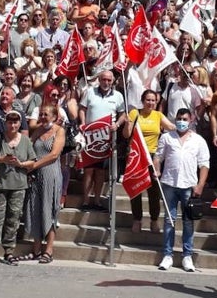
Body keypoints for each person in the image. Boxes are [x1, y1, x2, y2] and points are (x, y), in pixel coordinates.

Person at [154, 108, 209, 272]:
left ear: (191, 119)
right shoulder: (166, 137)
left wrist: (200, 185)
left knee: (188, 221)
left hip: (189, 185)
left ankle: (187, 255)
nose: (182, 121)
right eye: (179, 118)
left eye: (185, 118)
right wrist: (157, 168)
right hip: (169, 183)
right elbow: (158, 156)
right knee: (169, 221)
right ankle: (168, 255)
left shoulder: (198, 140)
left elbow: (204, 164)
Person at [0, 111, 36, 268]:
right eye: (10, 122)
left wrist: (20, 164)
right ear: (5, 123)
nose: (12, 125)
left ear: (19, 124)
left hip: (18, 185)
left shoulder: (25, 140)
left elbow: (32, 162)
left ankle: (9, 251)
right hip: (0, 184)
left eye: (15, 122)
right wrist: (2, 159)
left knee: (13, 218)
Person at [123, 89, 175, 233]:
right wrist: (127, 125)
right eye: (148, 100)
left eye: (153, 100)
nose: (151, 103)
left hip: (153, 157)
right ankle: (137, 219)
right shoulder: (135, 114)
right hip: (137, 156)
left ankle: (154, 220)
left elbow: (171, 127)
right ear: (142, 101)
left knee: (154, 191)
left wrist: (185, 128)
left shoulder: (158, 115)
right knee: (136, 189)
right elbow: (126, 135)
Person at [21, 105, 66, 264]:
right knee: (35, 209)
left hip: (50, 174)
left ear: (54, 116)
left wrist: (35, 164)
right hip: (36, 175)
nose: (42, 117)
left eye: (46, 114)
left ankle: (49, 250)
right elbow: (29, 147)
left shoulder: (59, 131)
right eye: (41, 114)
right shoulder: (38, 130)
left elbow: (54, 154)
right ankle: (36, 249)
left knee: (49, 209)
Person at [78, 70, 126, 210]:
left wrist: (117, 124)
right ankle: (86, 201)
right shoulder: (90, 92)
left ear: (113, 81)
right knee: (88, 170)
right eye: (104, 79)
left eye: (109, 80)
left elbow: (122, 114)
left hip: (107, 138)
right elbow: (82, 109)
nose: (106, 82)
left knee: (100, 172)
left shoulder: (118, 96)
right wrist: (82, 123)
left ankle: (97, 201)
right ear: (99, 79)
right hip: (90, 136)